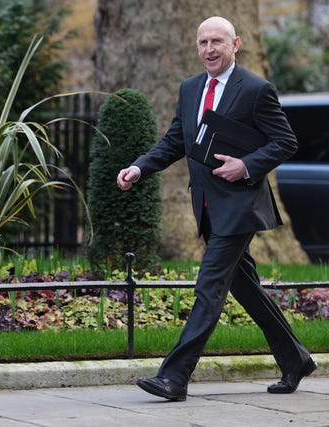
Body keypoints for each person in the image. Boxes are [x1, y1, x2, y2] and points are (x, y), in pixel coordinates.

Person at [116, 16, 316, 402]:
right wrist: (140, 167)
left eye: (217, 42)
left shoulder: (256, 89)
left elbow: (285, 141)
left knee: (209, 288)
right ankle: (295, 360)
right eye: (203, 42)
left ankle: (174, 377)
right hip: (207, 206)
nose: (209, 49)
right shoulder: (190, 88)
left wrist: (247, 165)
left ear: (235, 44)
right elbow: (177, 141)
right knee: (246, 288)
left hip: (240, 206)